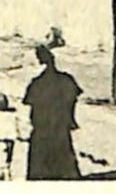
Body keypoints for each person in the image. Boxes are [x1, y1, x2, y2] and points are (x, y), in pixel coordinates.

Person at [22, 44, 82, 180]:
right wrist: (69, 118)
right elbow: (74, 97)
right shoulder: (66, 80)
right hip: (60, 126)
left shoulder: (37, 83)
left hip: (42, 127)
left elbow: (29, 103)